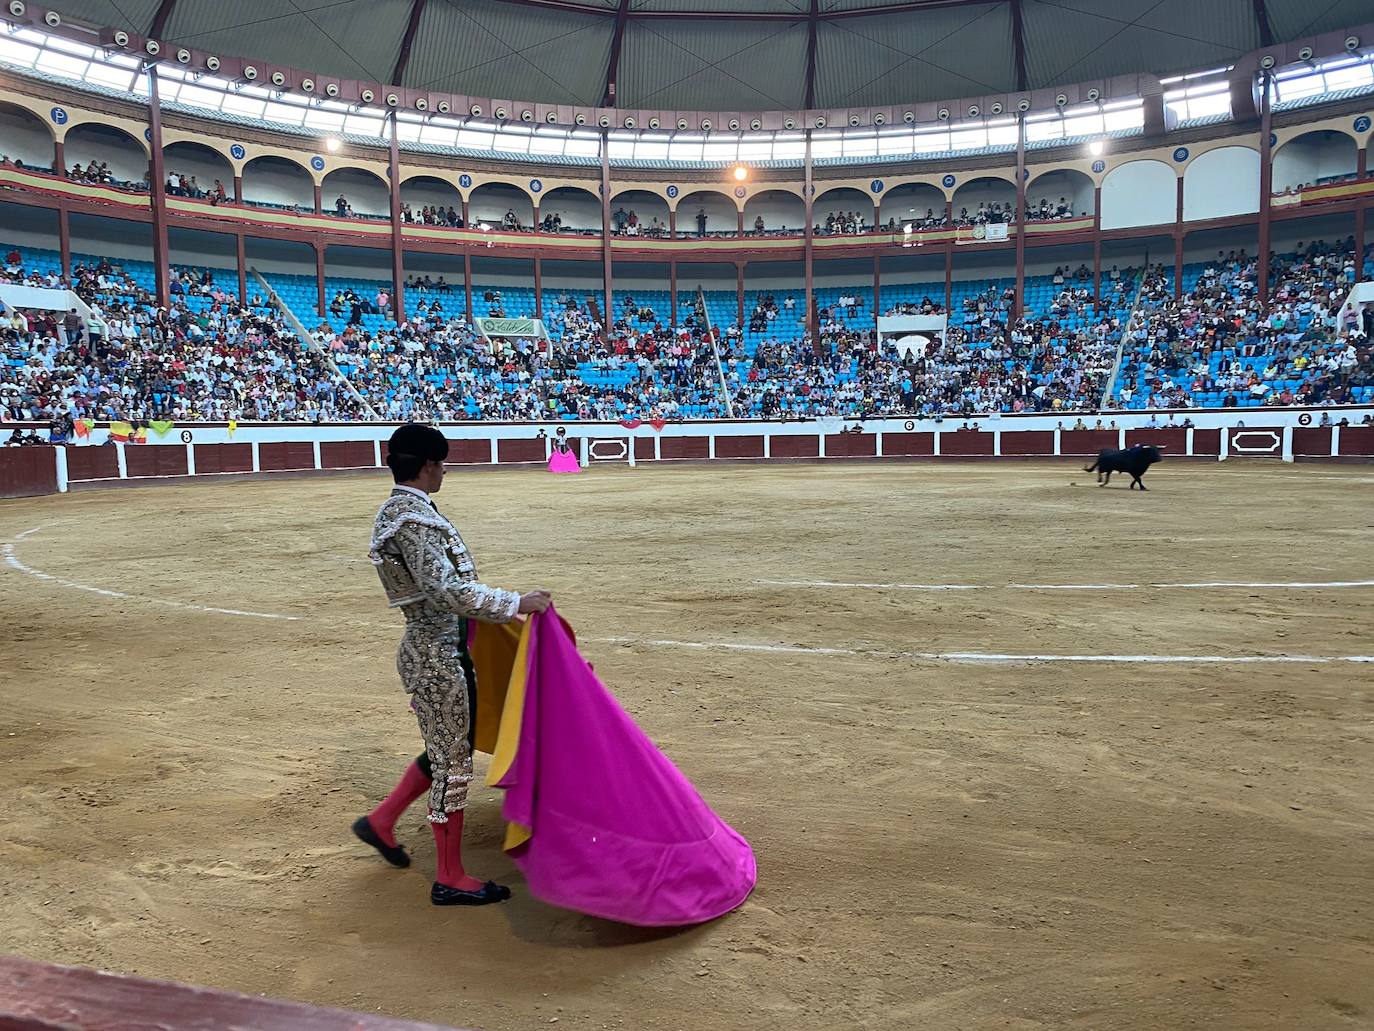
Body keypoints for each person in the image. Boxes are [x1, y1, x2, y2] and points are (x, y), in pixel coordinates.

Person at [356, 424, 552, 906]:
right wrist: (516, 602)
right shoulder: (414, 520)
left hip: (442, 650)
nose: (443, 471)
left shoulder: (403, 510)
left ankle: (381, 822)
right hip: (438, 657)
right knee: (453, 765)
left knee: (449, 745)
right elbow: (447, 591)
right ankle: (449, 877)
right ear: (428, 465)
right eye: (441, 463)